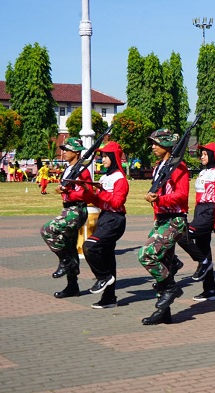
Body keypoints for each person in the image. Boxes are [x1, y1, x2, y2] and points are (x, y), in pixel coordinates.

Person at [137, 129, 188, 325]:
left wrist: (160, 199)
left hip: (175, 220)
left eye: (156, 143)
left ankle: (171, 288)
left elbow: (182, 195)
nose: (153, 147)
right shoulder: (160, 167)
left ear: (167, 145)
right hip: (162, 219)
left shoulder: (179, 167)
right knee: (164, 263)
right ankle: (163, 312)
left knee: (146, 255)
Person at [40, 138, 90, 299]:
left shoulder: (82, 170)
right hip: (68, 208)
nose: (64, 152)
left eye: (67, 149)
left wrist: (66, 192)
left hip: (76, 209)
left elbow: (86, 193)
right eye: (63, 149)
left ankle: (65, 261)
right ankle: (72, 285)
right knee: (69, 246)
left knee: (48, 230)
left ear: (76, 152)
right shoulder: (69, 169)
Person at [82, 141, 129, 309]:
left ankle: (103, 276)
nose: (102, 160)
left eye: (105, 156)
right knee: (108, 256)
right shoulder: (104, 177)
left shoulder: (120, 179)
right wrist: (87, 192)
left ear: (114, 158)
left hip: (115, 220)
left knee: (90, 246)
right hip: (104, 218)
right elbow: (98, 202)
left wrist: (103, 193)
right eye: (101, 156)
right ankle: (109, 298)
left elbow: (117, 203)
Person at [178, 142, 215, 302]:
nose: (202, 157)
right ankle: (210, 290)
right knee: (204, 248)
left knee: (183, 235)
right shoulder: (204, 172)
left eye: (205, 154)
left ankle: (203, 262)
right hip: (200, 211)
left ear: (213, 155)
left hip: (210, 212)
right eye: (202, 154)